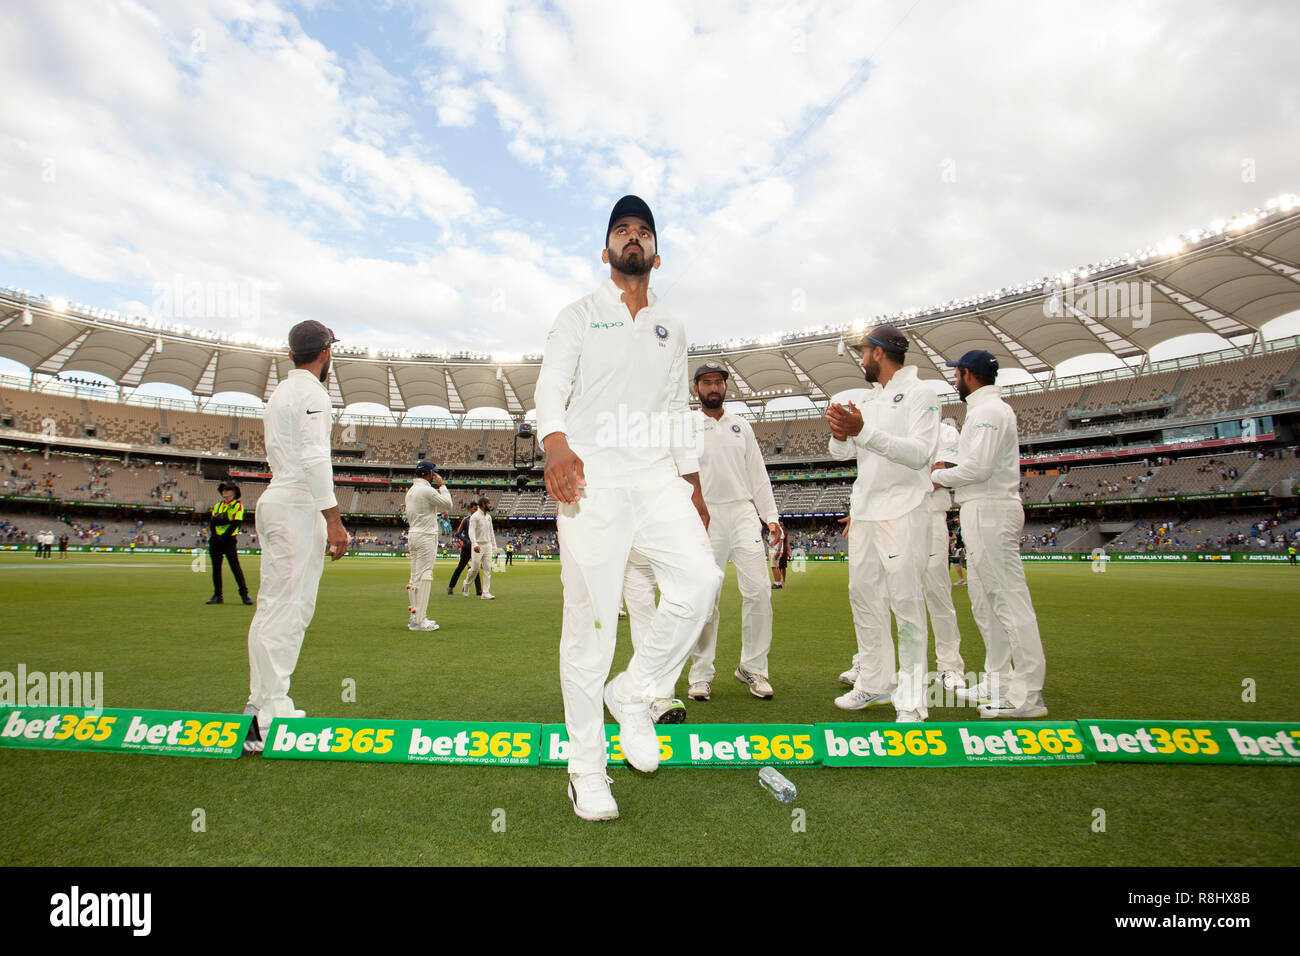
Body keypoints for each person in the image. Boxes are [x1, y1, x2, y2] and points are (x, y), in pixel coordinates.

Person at [536, 194, 722, 821]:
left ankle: (635, 692)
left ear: (657, 253)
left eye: (642, 231)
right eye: (622, 231)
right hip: (593, 481)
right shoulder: (580, 314)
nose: (632, 239)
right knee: (589, 632)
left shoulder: (673, 326)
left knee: (699, 583)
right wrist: (555, 443)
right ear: (607, 249)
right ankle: (587, 770)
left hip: (656, 477)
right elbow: (551, 384)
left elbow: (677, 408)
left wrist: (691, 483)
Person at [242, 321, 350, 754]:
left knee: (275, 606)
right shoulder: (313, 394)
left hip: (278, 500)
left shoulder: (280, 394)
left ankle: (267, 701)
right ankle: (265, 716)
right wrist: (335, 519)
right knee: (289, 608)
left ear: (291, 355)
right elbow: (313, 457)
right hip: (296, 506)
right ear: (326, 353)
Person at [828, 325, 939, 723]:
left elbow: (920, 453)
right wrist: (841, 431)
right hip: (866, 511)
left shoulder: (921, 393)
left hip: (904, 508)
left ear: (878, 352)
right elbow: (843, 454)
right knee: (863, 597)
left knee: (905, 601)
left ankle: (911, 699)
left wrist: (864, 431)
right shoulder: (867, 400)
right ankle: (875, 683)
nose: (860, 360)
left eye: (863, 353)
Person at [932, 349, 1048, 719]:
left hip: (991, 508)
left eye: (957, 374)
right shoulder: (983, 411)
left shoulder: (988, 411)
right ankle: (998, 679)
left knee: (1008, 601)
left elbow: (978, 469)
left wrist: (935, 477)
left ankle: (1027, 695)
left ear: (967, 374)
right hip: (980, 509)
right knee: (985, 601)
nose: (955, 381)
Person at [684, 362, 781, 702]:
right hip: (704, 515)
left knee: (758, 592)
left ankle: (753, 668)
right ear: (696, 389)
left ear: (726, 388)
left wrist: (770, 516)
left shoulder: (741, 426)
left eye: (719, 382)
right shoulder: (687, 426)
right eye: (707, 382)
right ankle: (700, 674)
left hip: (742, 512)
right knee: (706, 599)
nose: (713, 387)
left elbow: (758, 474)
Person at [926, 419, 967, 691]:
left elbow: (943, 472)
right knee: (879, 595)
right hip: (889, 519)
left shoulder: (944, 431)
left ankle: (950, 666)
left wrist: (898, 483)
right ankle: (872, 667)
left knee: (937, 593)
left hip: (928, 517)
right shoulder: (890, 426)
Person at [405, 460, 452, 631]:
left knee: (414, 578)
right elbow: (448, 504)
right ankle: (420, 620)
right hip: (425, 536)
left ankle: (414, 616)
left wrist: (437, 513)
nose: (436, 476)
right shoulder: (426, 489)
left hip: (414, 534)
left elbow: (423, 510)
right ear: (430, 474)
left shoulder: (412, 490)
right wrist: (443, 486)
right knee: (425, 576)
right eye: (434, 473)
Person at [206, 481, 253, 605]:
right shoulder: (218, 506)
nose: (224, 492)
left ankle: (244, 595)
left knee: (235, 567)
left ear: (233, 492)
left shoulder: (238, 506)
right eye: (223, 490)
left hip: (229, 540)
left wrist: (224, 535)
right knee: (216, 568)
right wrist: (215, 536)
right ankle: (217, 595)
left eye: (227, 489)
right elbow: (213, 522)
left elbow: (236, 523)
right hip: (216, 539)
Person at [446, 502, 482, 596]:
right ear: (470, 509)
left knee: (475, 567)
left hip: (475, 547)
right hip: (467, 548)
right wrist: (466, 540)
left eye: (477, 509)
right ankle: (451, 587)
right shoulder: (466, 520)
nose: (476, 511)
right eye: (474, 509)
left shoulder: (479, 520)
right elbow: (458, 533)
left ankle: (479, 590)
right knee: (460, 567)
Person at [466, 496, 496, 599]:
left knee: (488, 569)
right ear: (483, 504)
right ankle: (466, 584)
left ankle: (485, 593)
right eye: (488, 503)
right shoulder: (475, 516)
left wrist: (494, 547)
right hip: (478, 545)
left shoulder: (488, 517)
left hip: (487, 545)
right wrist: (474, 544)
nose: (490, 505)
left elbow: (491, 532)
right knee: (474, 569)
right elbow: (471, 531)